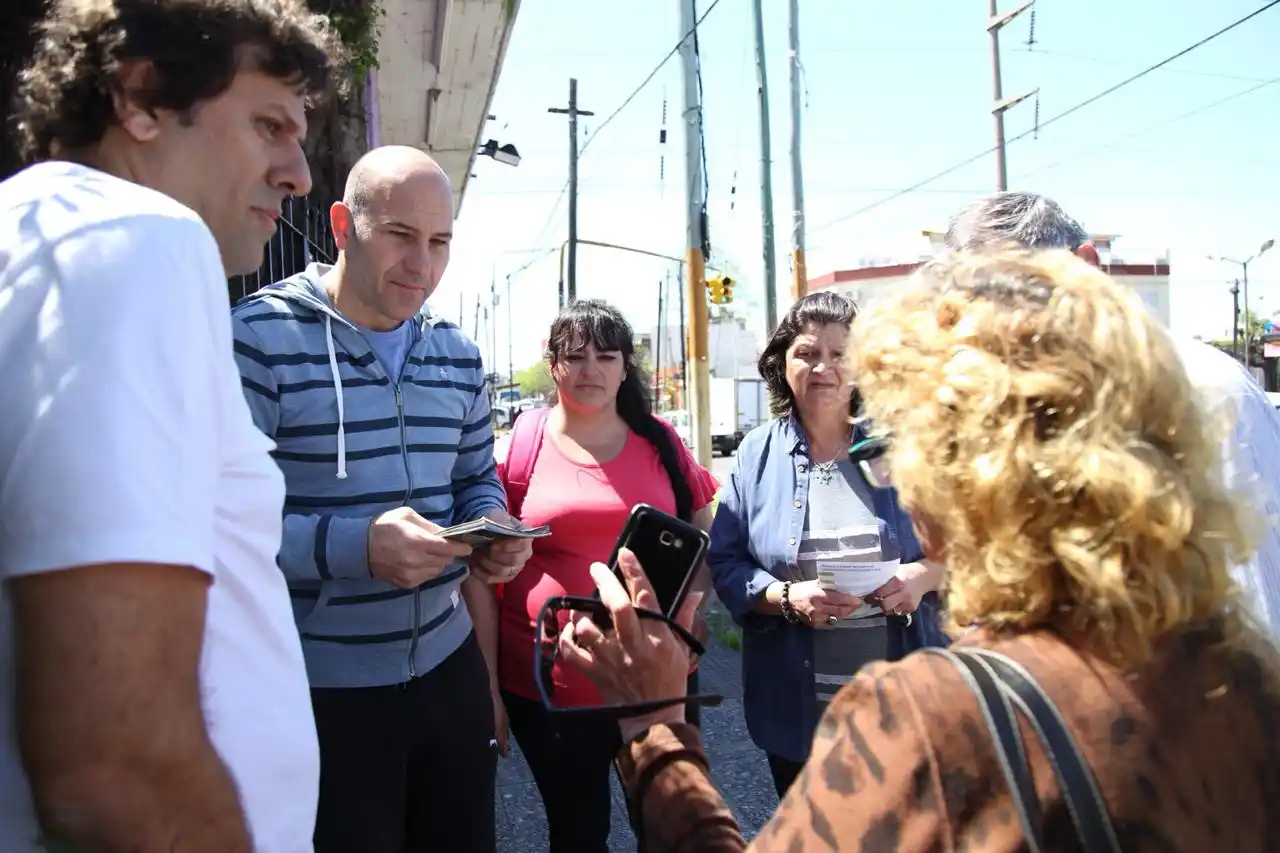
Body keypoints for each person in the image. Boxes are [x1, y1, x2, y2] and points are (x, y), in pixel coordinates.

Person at [559, 248, 1280, 851]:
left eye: (915, 440)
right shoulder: (1241, 675)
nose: (893, 467)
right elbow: (731, 561)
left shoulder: (936, 715)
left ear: (973, 473)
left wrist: (654, 723)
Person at [0, 1, 341, 850]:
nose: (298, 173)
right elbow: (113, 763)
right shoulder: (137, 237)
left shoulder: (48, 237)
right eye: (269, 125)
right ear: (141, 97)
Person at [230, 145, 530, 853]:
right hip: (317, 689)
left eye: (440, 242)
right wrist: (357, 548)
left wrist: (493, 528)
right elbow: (219, 527)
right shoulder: (257, 341)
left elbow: (475, 478)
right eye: (400, 235)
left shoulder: (457, 353)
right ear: (343, 225)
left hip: (448, 668)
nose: (421, 264)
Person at [943, 190, 1280, 638]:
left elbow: (1256, 604)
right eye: (976, 301)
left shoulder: (1204, 389)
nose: (1001, 323)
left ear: (1086, 263)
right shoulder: (1021, 402)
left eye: (1016, 291)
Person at [466, 300, 717, 853]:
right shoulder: (518, 450)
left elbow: (705, 541)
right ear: (552, 364)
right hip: (547, 685)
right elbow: (479, 576)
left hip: (656, 677)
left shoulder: (661, 442)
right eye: (575, 356)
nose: (591, 370)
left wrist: (689, 621)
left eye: (606, 356)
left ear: (625, 367)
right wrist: (488, 689)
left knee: (668, 826)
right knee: (577, 833)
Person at [708, 291, 945, 799]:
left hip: (904, 709)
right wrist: (785, 597)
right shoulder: (755, 453)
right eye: (808, 353)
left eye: (840, 354)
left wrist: (922, 577)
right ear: (781, 363)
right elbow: (726, 563)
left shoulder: (906, 447)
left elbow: (970, 550)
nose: (824, 368)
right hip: (795, 717)